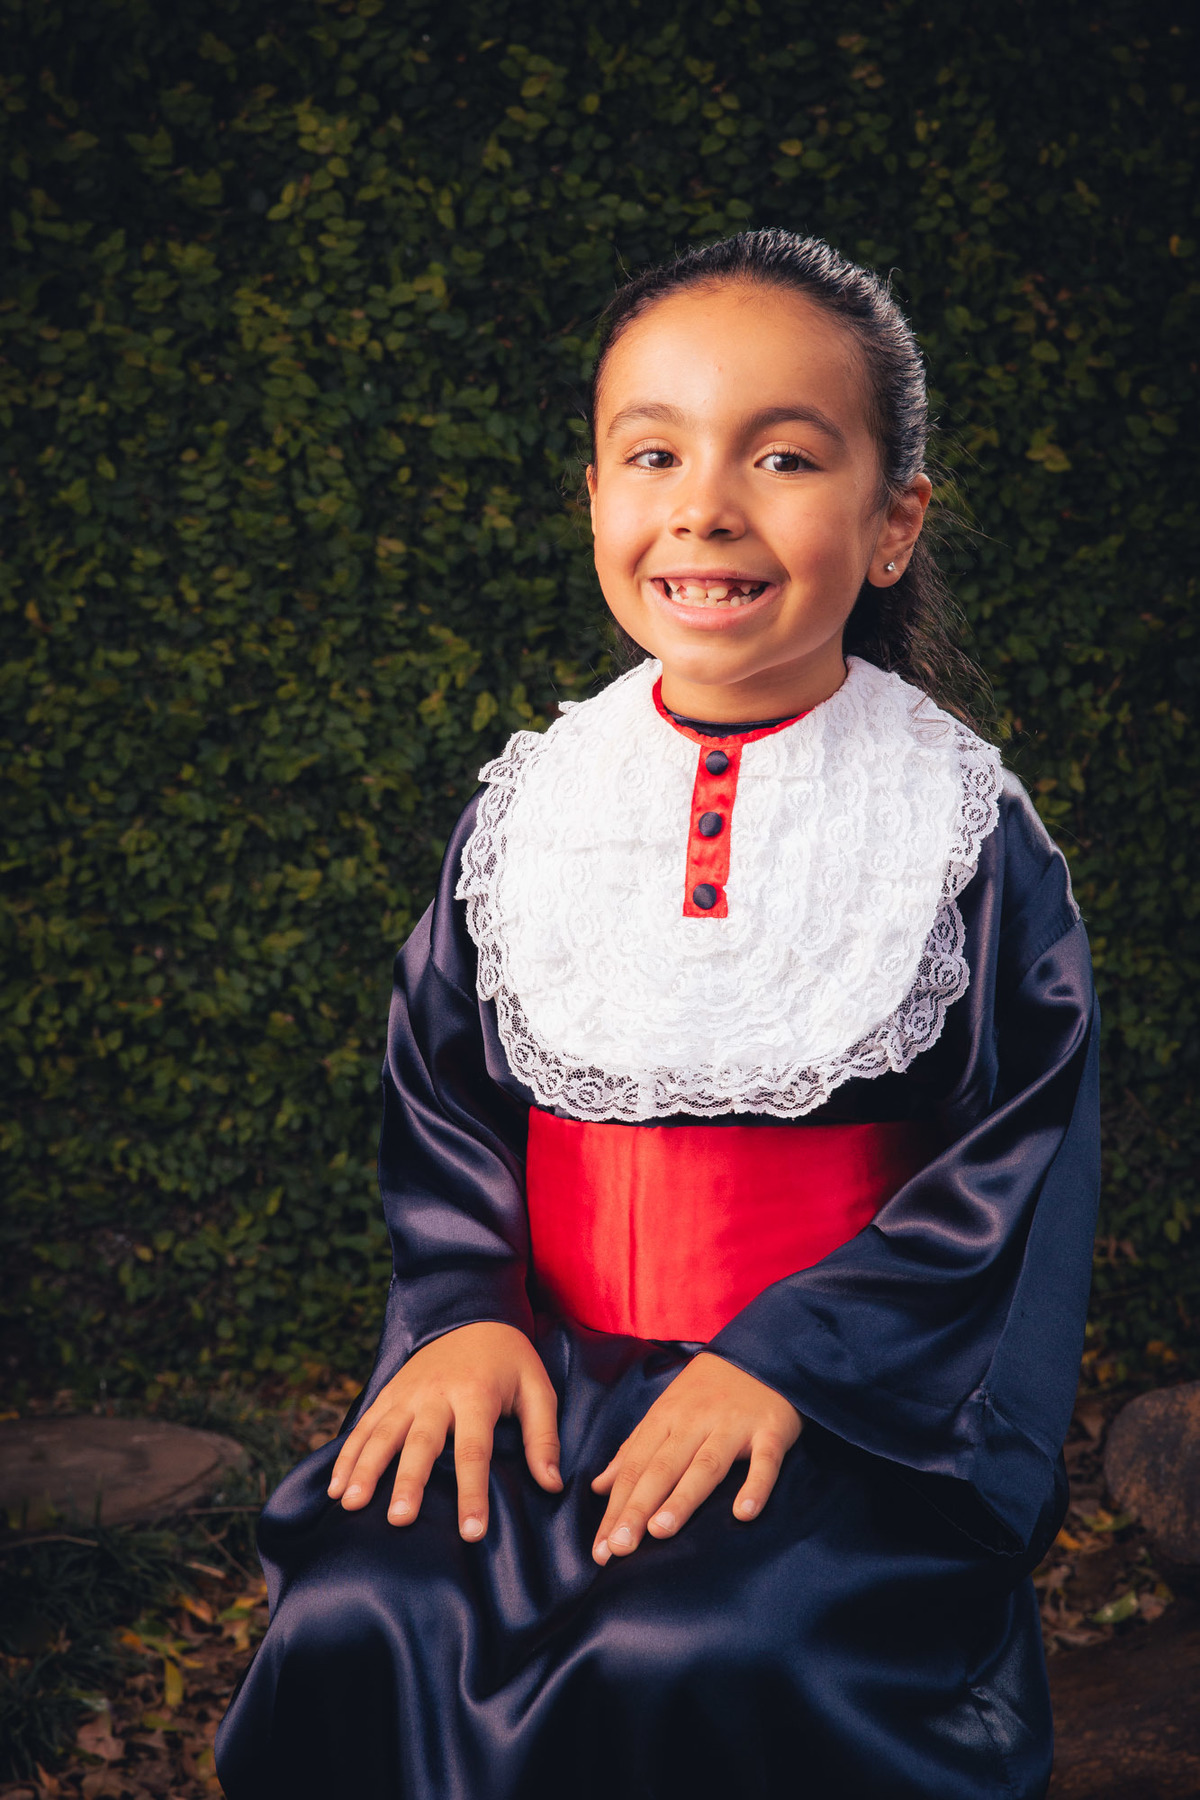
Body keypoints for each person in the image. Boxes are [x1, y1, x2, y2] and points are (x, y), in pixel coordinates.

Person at [215, 229, 1099, 1800]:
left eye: (783, 456)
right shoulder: (533, 805)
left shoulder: (963, 831)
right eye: (653, 453)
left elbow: (1017, 1162)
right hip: (546, 1372)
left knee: (690, 1646)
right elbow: (443, 1098)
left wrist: (795, 1362)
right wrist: (464, 1312)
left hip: (842, 1403)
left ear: (893, 524)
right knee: (372, 1603)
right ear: (595, 501)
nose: (705, 506)